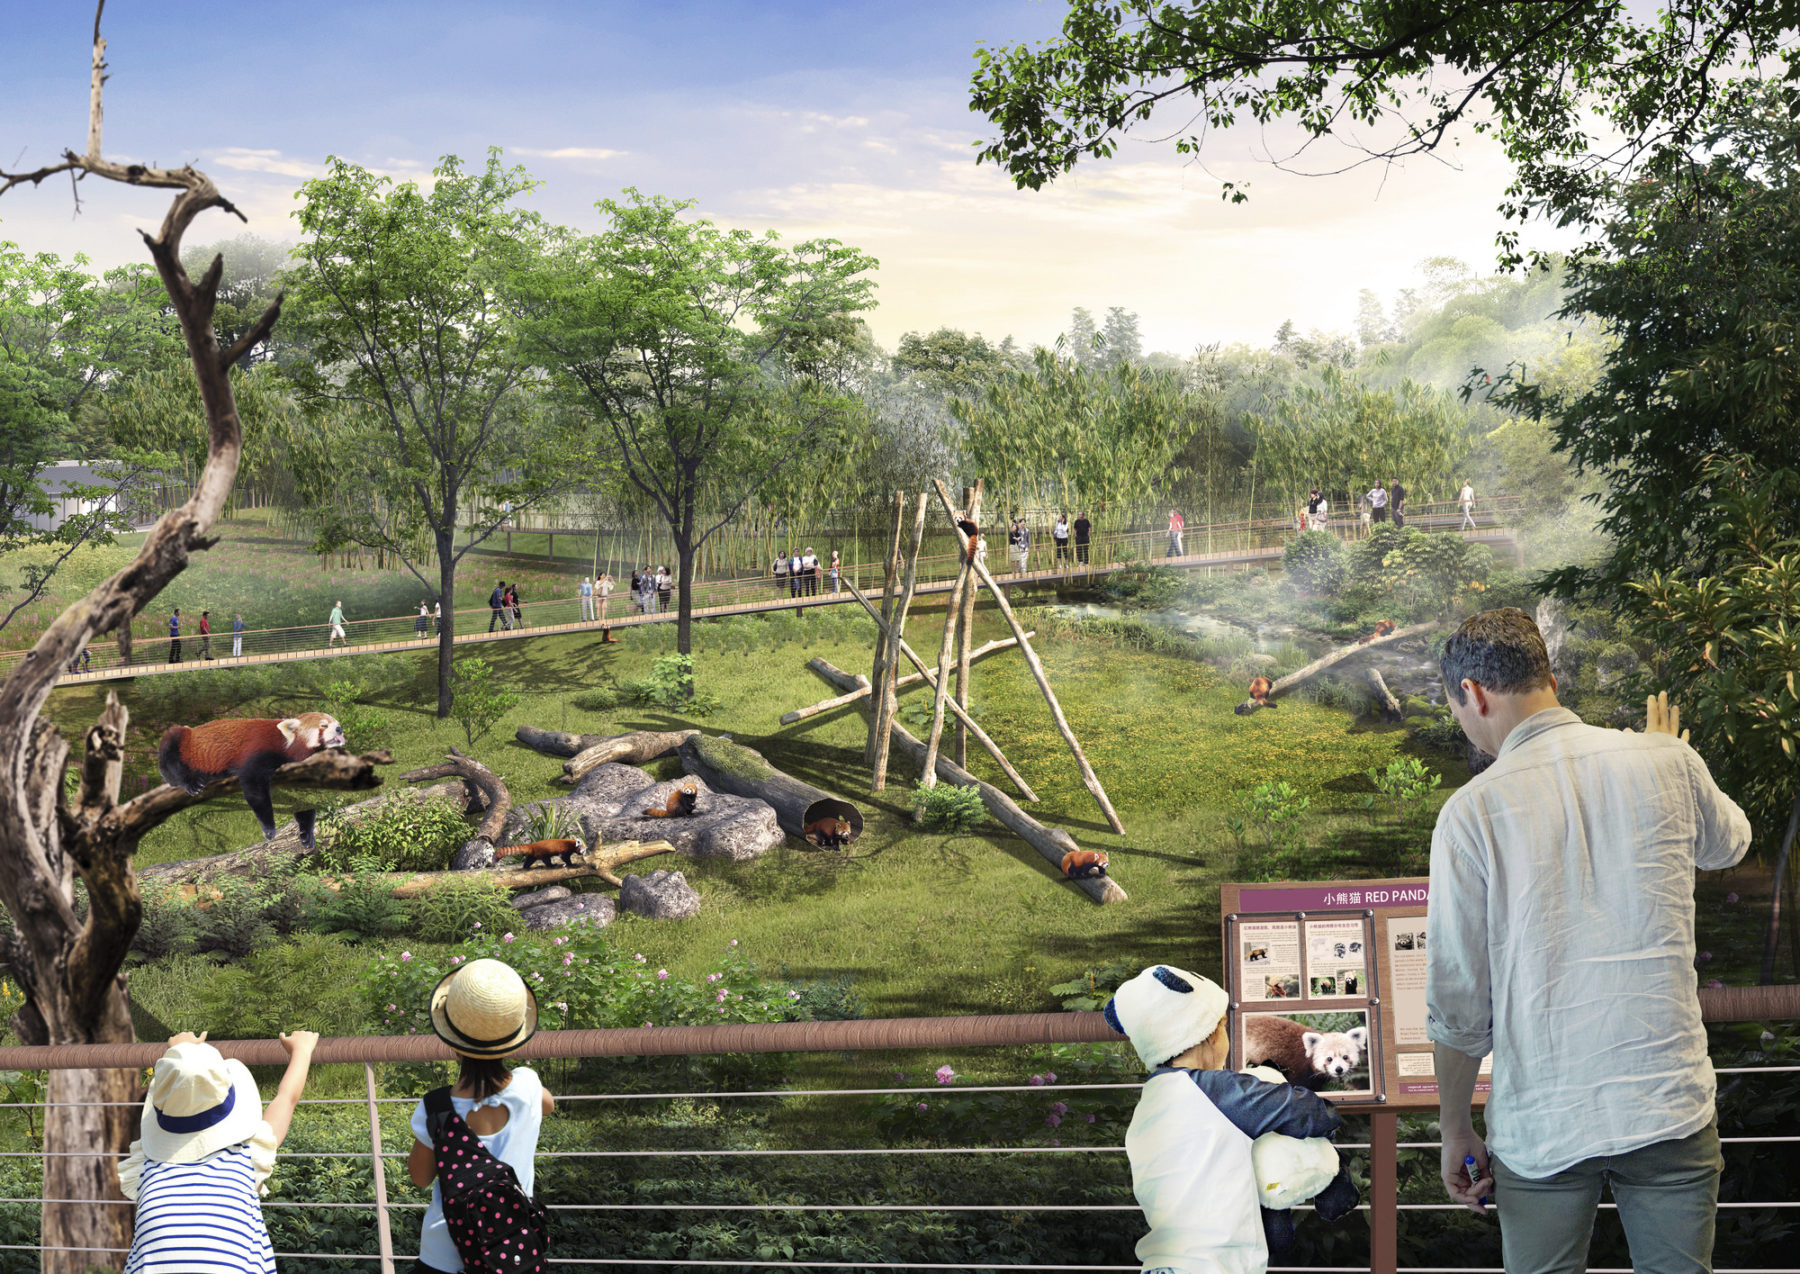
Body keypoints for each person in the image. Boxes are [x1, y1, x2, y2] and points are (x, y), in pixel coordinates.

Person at [1425, 609, 1750, 1274]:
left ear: (1475, 694)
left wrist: (1456, 1127)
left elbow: (1460, 1004)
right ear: (1545, 676)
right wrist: (1675, 762)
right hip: (1667, 1104)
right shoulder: (1667, 759)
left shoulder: (1471, 813)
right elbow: (1730, 844)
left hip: (1543, 1121)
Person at [1104, 964, 1348, 1274]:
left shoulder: (1148, 1104)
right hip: (1214, 1266)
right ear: (1209, 1034)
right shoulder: (1221, 1092)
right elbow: (1307, 1112)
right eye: (1222, 1026)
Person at [118, 1028, 320, 1274]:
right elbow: (286, 1098)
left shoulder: (146, 1165)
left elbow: (182, 1083)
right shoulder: (246, 1155)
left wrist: (179, 1051)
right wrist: (302, 1051)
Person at [408, 959, 553, 1274]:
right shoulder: (529, 1086)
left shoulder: (436, 1110)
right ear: (512, 1038)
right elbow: (548, 1106)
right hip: (512, 1251)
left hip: (444, 1256)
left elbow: (419, 1178)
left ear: (453, 1043)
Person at [598, 573, 616, 640]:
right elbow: (599, 585)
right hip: (599, 598)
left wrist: (611, 579)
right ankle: (601, 623)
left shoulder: (606, 582)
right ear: (600, 576)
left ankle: (605, 628)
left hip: (605, 597)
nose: (604, 576)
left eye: (604, 575)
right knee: (600, 611)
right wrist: (605, 579)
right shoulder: (598, 582)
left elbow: (612, 585)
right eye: (602, 575)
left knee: (604, 610)